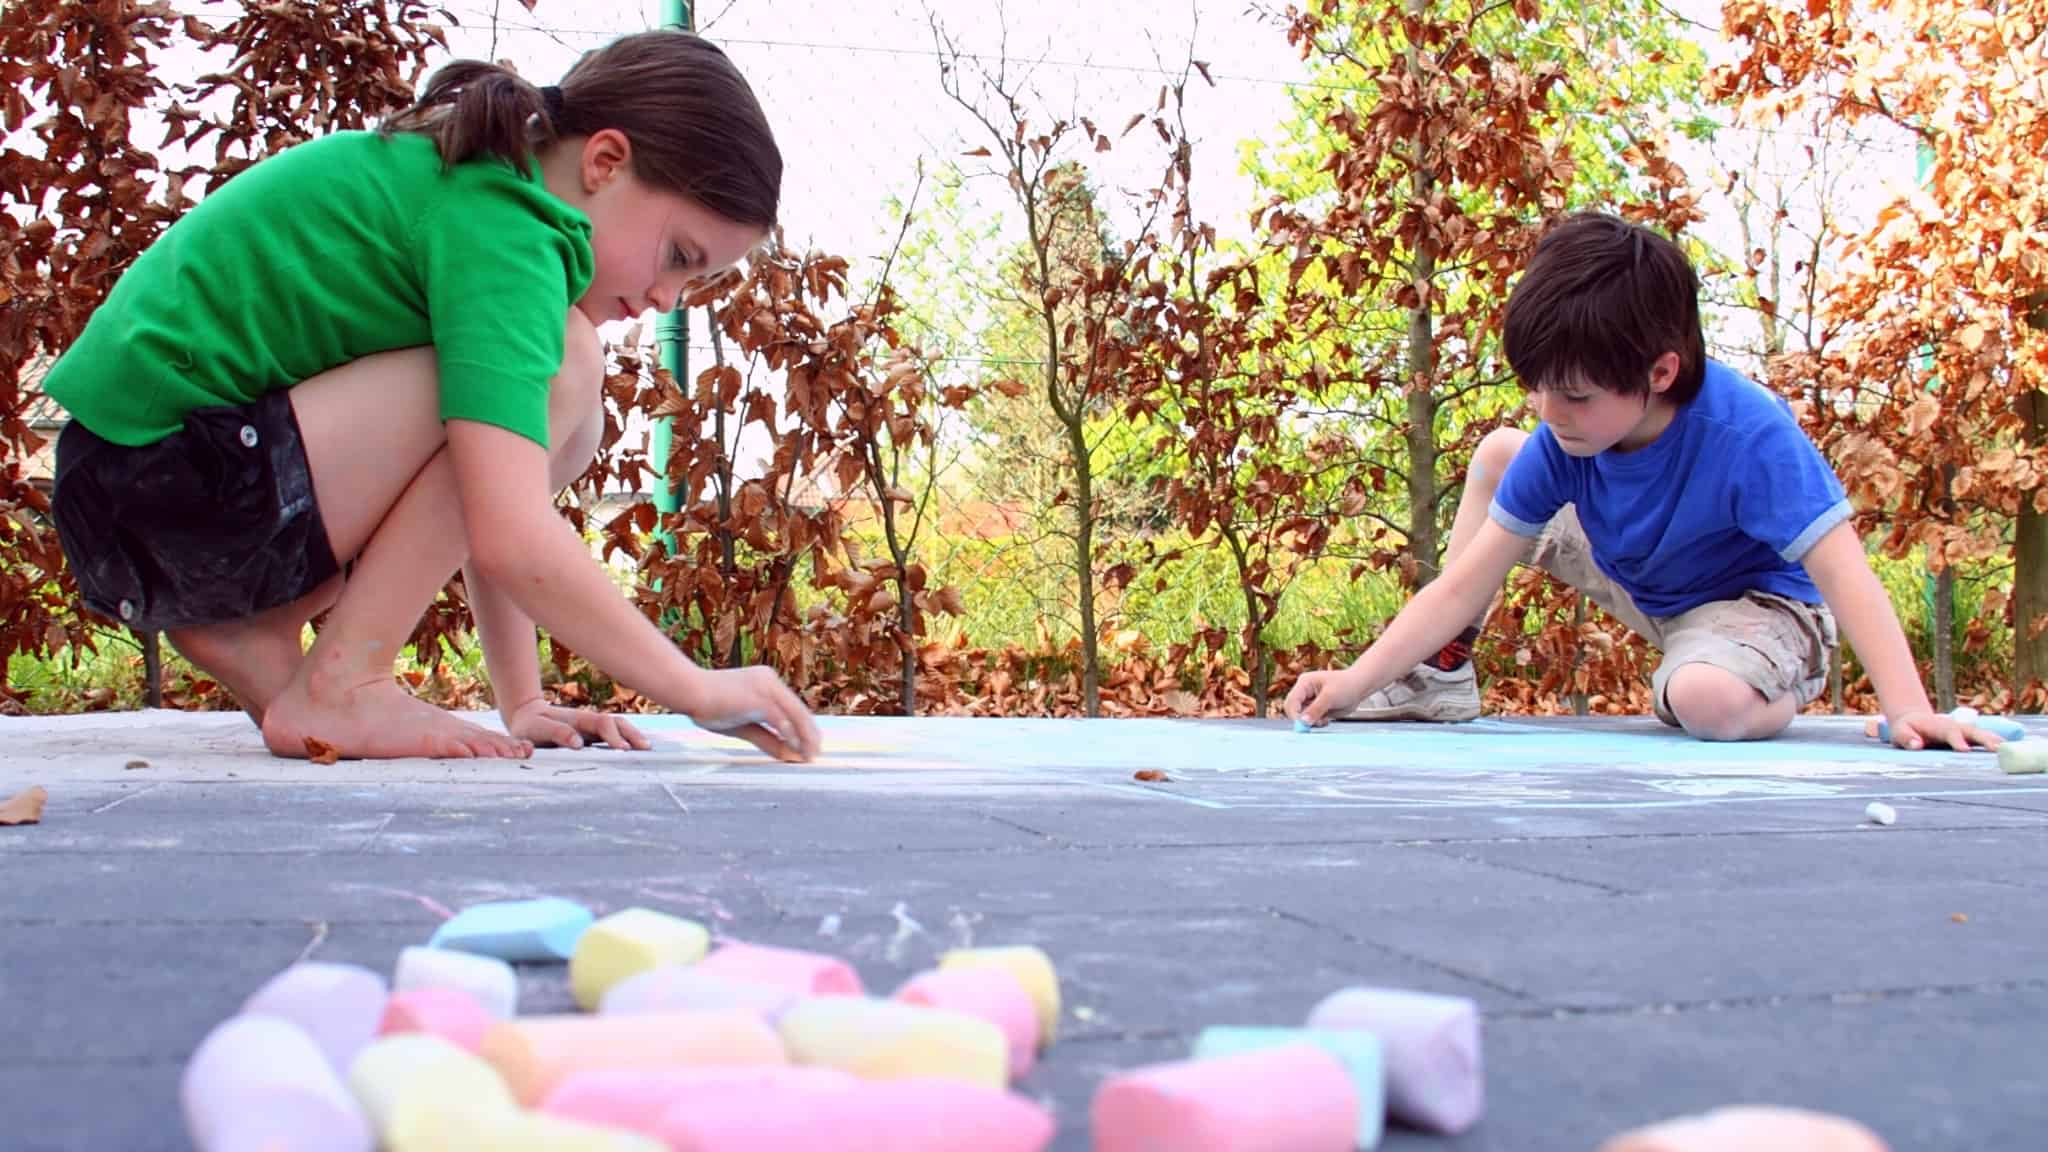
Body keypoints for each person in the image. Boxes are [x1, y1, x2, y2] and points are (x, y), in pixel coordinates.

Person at [44, 30, 821, 763]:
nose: (666, 297)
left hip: (148, 485)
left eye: (698, 281)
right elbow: (505, 533)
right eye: (679, 256)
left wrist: (524, 702)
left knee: (561, 418)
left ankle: (255, 633)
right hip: (161, 474)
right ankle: (344, 681)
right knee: (565, 365)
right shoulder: (506, 230)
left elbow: (500, 491)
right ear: (606, 160)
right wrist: (693, 686)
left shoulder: (490, 195)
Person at [1287, 211, 1999, 753]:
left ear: (1660, 373)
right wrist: (1355, 681)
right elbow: (1461, 585)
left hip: (1758, 609)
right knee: (1503, 454)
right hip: (1647, 579)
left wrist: (1907, 709)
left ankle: (1768, 685)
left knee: (1705, 700)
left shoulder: (1747, 435)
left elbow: (1843, 568)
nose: (1549, 411)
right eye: (1538, 388)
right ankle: (1439, 677)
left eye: (1575, 396)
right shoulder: (1567, 435)